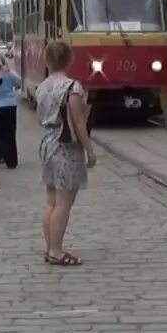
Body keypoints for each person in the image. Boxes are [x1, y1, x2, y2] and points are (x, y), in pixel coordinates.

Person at [36, 40, 96, 267]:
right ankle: (56, 250)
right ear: (69, 60)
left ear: (47, 60)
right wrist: (89, 150)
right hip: (65, 147)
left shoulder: (42, 87)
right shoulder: (72, 88)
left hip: (47, 143)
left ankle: (49, 245)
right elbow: (79, 122)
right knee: (64, 202)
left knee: (51, 200)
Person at [0, 49, 21, 170]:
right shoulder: (8, 73)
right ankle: (11, 161)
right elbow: (19, 82)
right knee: (9, 134)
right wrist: (9, 70)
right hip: (9, 106)